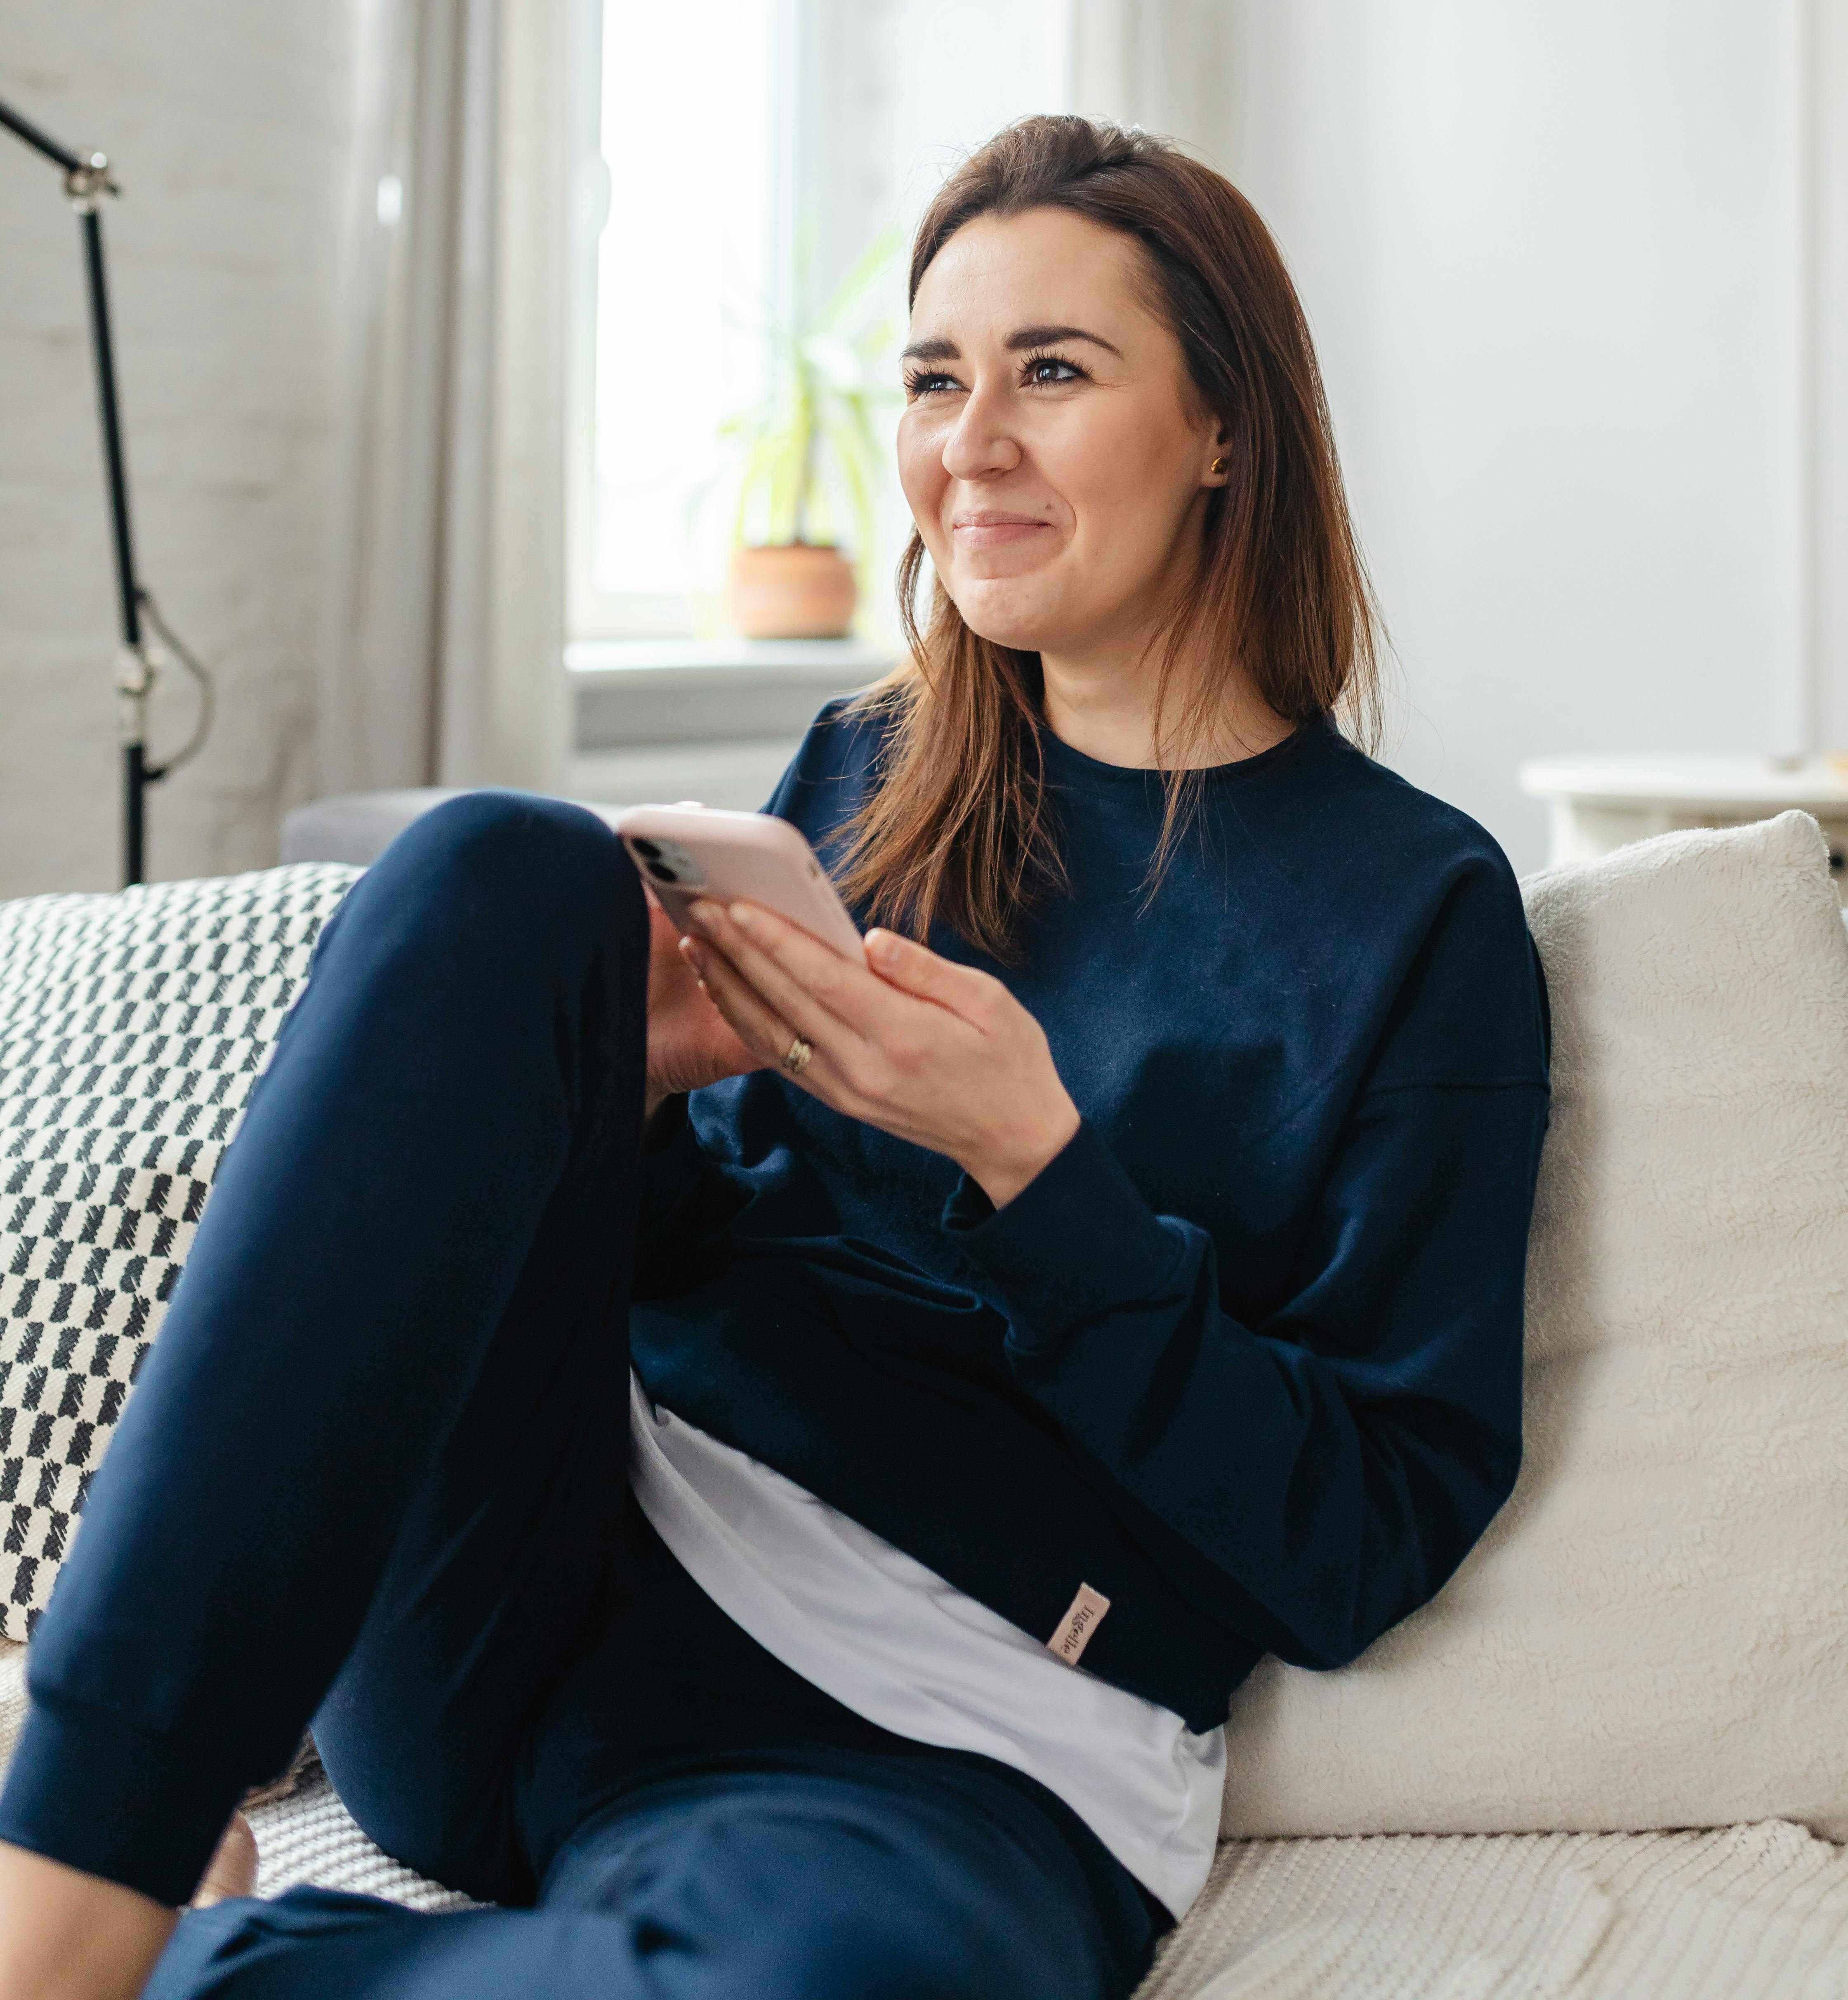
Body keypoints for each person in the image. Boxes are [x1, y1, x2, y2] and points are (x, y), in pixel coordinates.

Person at [0, 118, 1550, 2000]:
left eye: (1051, 372)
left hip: (917, 1745)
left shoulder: (1414, 911)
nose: (966, 442)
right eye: (931, 377)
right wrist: (638, 1104)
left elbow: (1357, 1546)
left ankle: (190, 1949)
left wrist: (1039, 1182)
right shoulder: (862, 779)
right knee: (502, 866)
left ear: (1226, 430)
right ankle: (76, 1859)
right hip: (541, 1564)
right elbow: (688, 1253)